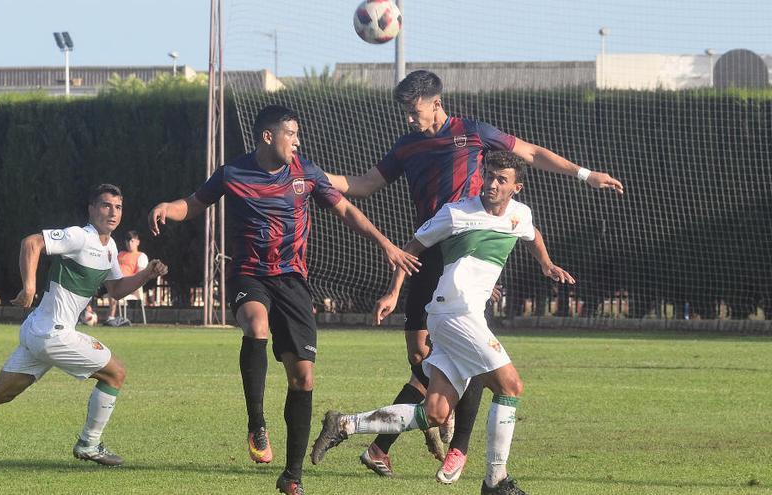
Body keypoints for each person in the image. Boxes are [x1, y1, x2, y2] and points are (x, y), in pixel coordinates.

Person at [324, 69, 622, 479]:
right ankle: (387, 431)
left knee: (483, 365)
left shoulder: (473, 133)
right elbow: (363, 184)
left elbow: (530, 154)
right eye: (406, 114)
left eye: (415, 111)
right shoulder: (408, 146)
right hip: (428, 251)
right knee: (420, 360)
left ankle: (457, 451)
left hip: (466, 257)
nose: (410, 120)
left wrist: (586, 176)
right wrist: (313, 176)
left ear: (436, 102)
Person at [148, 105, 420, 495]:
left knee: (303, 378)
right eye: (290, 132)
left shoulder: (305, 173)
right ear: (267, 136)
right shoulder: (233, 173)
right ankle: (257, 423)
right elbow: (194, 203)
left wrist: (386, 245)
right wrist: (167, 209)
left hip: (293, 281)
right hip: (250, 275)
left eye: (297, 133)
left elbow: (346, 210)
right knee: (256, 325)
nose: (297, 139)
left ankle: (292, 476)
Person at [312, 151, 575, 494]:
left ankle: (345, 424)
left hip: (461, 316)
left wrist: (546, 263)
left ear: (516, 188)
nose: (492, 184)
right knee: (510, 386)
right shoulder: (456, 212)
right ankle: (496, 481)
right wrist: (393, 293)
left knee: (435, 412)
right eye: (489, 175)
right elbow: (411, 248)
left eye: (501, 179)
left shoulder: (519, 215)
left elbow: (532, 233)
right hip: (454, 312)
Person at [0, 184, 169, 472]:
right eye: (105, 205)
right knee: (116, 373)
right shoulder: (79, 236)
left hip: (38, 330)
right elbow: (31, 243)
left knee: (1, 392)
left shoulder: (110, 248)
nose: (112, 212)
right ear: (91, 209)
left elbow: (116, 290)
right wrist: (29, 287)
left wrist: (147, 273)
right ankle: (89, 443)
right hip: (54, 333)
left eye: (118, 207)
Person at [106, 230, 149, 325]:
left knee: (113, 289)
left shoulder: (141, 256)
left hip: (129, 285)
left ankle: (111, 318)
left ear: (138, 242)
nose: (130, 243)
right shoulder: (121, 254)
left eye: (132, 241)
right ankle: (87, 314)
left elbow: (140, 274)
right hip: (114, 281)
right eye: (128, 241)